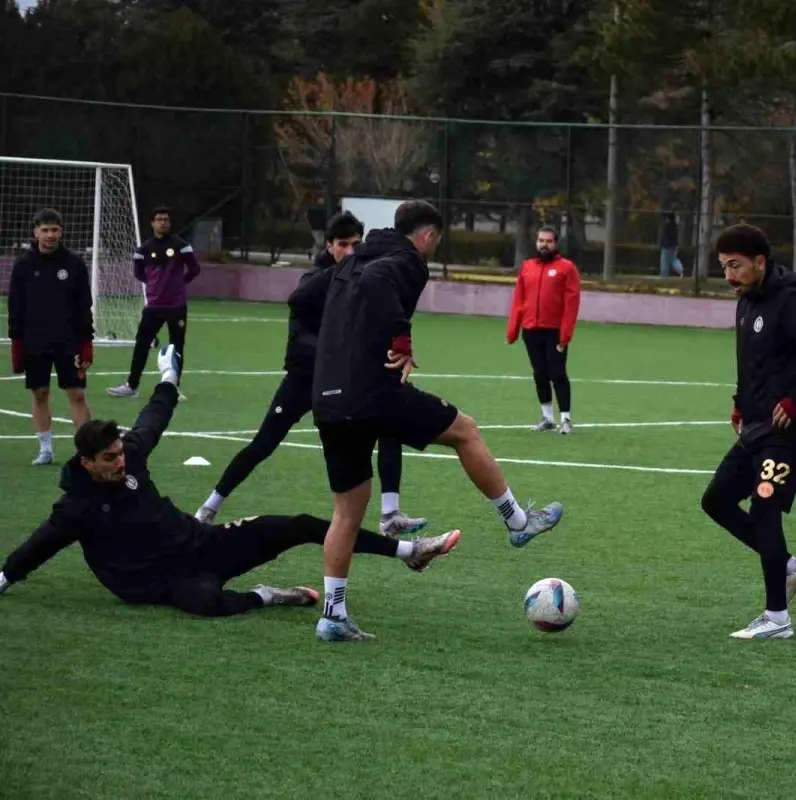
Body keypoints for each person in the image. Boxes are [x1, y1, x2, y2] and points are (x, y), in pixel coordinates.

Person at [0, 345, 460, 621]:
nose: (120, 462)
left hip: (204, 544)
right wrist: (4, 576)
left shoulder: (130, 455)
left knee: (298, 524)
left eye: (120, 453)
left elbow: (154, 418)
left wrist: (168, 376)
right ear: (86, 463)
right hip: (160, 585)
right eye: (109, 459)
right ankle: (267, 596)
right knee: (207, 603)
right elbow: (39, 545)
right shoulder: (76, 507)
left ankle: (409, 552)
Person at [291, 199, 564, 642]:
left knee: (347, 510)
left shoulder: (348, 261)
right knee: (465, 430)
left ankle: (333, 616)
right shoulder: (407, 260)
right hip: (371, 392)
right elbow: (380, 283)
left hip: (327, 397)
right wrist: (400, 335)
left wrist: (331, 345)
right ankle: (518, 523)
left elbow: (300, 298)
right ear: (429, 235)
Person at [195, 212, 426, 537]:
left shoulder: (362, 278)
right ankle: (210, 505)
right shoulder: (315, 282)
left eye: (355, 244)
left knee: (389, 424)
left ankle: (390, 514)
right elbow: (299, 338)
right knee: (263, 443)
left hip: (346, 382)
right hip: (306, 379)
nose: (349, 251)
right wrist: (339, 353)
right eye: (342, 244)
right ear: (329, 245)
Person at [699, 224, 796, 641]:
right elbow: (753, 363)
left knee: (764, 507)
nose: (729, 275)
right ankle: (787, 567)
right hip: (757, 428)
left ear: (760, 262)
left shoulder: (793, 303)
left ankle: (777, 619)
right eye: (724, 266)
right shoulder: (746, 302)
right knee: (716, 501)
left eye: (736, 266)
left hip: (793, 433)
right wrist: (740, 402)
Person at [6, 208, 94, 466]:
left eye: (54, 229)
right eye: (44, 230)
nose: (50, 235)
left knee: (77, 394)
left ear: (61, 232)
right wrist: (16, 343)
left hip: (69, 341)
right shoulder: (23, 265)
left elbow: (84, 306)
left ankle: (85, 453)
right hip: (35, 341)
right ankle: (45, 449)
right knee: (40, 393)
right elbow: (15, 307)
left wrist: (86, 343)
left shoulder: (74, 264)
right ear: (35, 232)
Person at [108, 206, 200, 400]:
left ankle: (173, 388)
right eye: (159, 219)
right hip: (154, 306)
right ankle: (131, 386)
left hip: (177, 306)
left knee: (176, 347)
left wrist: (179, 284)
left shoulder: (181, 245)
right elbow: (138, 273)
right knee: (142, 344)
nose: (163, 223)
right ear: (152, 223)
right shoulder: (143, 249)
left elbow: (194, 269)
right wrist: (154, 286)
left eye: (166, 219)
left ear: (170, 222)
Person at [505, 226, 581, 434]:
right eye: (541, 241)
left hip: (555, 332)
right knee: (540, 374)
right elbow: (519, 300)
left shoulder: (567, 268)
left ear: (556, 244)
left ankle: (565, 418)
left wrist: (565, 335)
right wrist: (513, 330)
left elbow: (571, 304)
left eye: (548, 241)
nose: (544, 245)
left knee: (558, 373)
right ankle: (547, 418)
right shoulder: (527, 266)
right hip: (531, 330)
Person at [659, 211, 683, 277]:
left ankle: (663, 275)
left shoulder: (667, 226)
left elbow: (665, 237)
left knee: (664, 262)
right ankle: (680, 271)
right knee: (673, 260)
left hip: (667, 247)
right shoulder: (674, 226)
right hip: (673, 246)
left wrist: (664, 245)